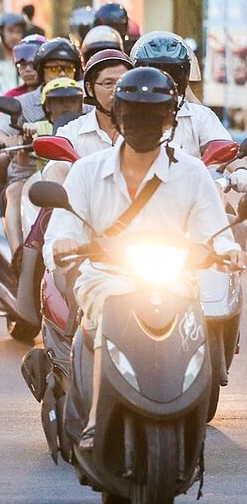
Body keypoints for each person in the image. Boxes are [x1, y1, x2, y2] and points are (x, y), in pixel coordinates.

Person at [44, 68, 247, 443]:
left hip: (173, 278)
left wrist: (228, 251)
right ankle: (93, 418)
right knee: (101, 319)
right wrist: (63, 246)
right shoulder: (87, 172)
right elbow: (61, 233)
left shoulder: (192, 173)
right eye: (135, 113)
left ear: (170, 117)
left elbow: (213, 230)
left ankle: (189, 412)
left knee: (193, 323)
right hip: (104, 277)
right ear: (118, 113)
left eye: (154, 114)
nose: (144, 122)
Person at [0, 37, 83, 260]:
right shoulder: (23, 102)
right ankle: (18, 254)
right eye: (53, 69)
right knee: (12, 188)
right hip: (29, 171)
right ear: (41, 72)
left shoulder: (88, 101)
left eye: (66, 69)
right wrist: (8, 141)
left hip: (75, 173)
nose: (60, 74)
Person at [130, 31, 232, 154]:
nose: (162, 82)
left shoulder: (199, 115)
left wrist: (240, 170)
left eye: (173, 74)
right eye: (152, 75)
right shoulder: (125, 113)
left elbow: (225, 152)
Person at [50, 49, 132, 173]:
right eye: (108, 83)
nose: (117, 91)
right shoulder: (72, 132)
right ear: (89, 88)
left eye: (124, 83)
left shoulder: (151, 129)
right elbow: (57, 168)